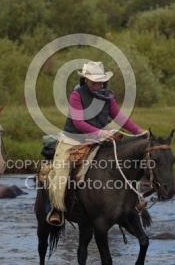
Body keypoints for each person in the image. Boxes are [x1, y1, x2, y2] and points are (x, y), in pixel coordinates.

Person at [47, 61, 147, 226]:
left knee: (124, 165)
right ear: (85, 80)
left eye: (100, 81)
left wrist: (138, 131)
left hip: (99, 138)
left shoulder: (107, 97)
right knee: (61, 169)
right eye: (94, 81)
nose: (98, 84)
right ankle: (57, 208)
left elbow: (120, 117)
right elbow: (78, 122)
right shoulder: (76, 95)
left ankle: (132, 201)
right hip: (74, 139)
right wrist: (100, 132)